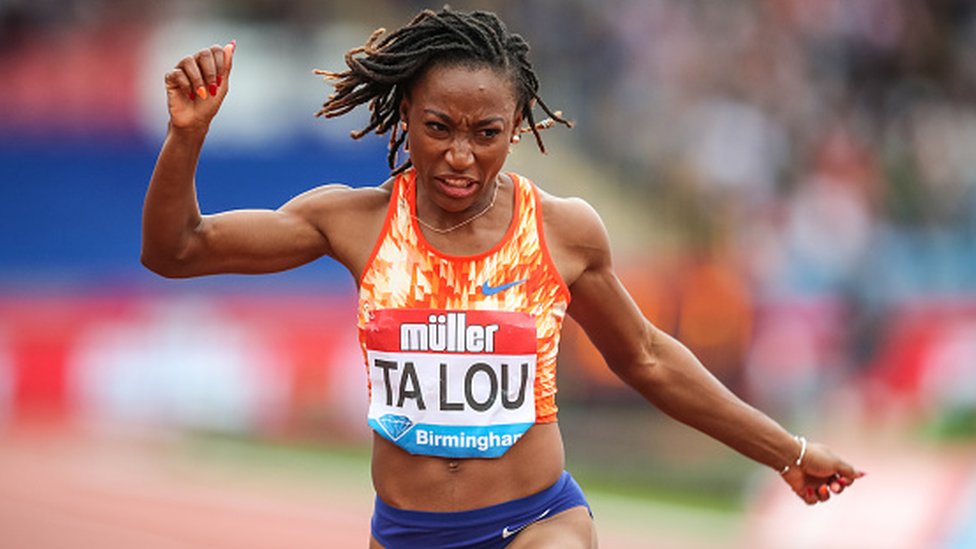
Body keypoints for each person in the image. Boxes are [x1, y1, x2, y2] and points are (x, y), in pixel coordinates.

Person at [141, 7, 864, 548]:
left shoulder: (562, 231)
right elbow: (176, 250)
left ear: (517, 126)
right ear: (405, 114)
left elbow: (646, 356)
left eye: (486, 133)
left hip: (537, 520)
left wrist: (790, 453)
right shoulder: (353, 221)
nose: (461, 156)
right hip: (406, 532)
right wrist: (187, 134)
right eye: (439, 127)